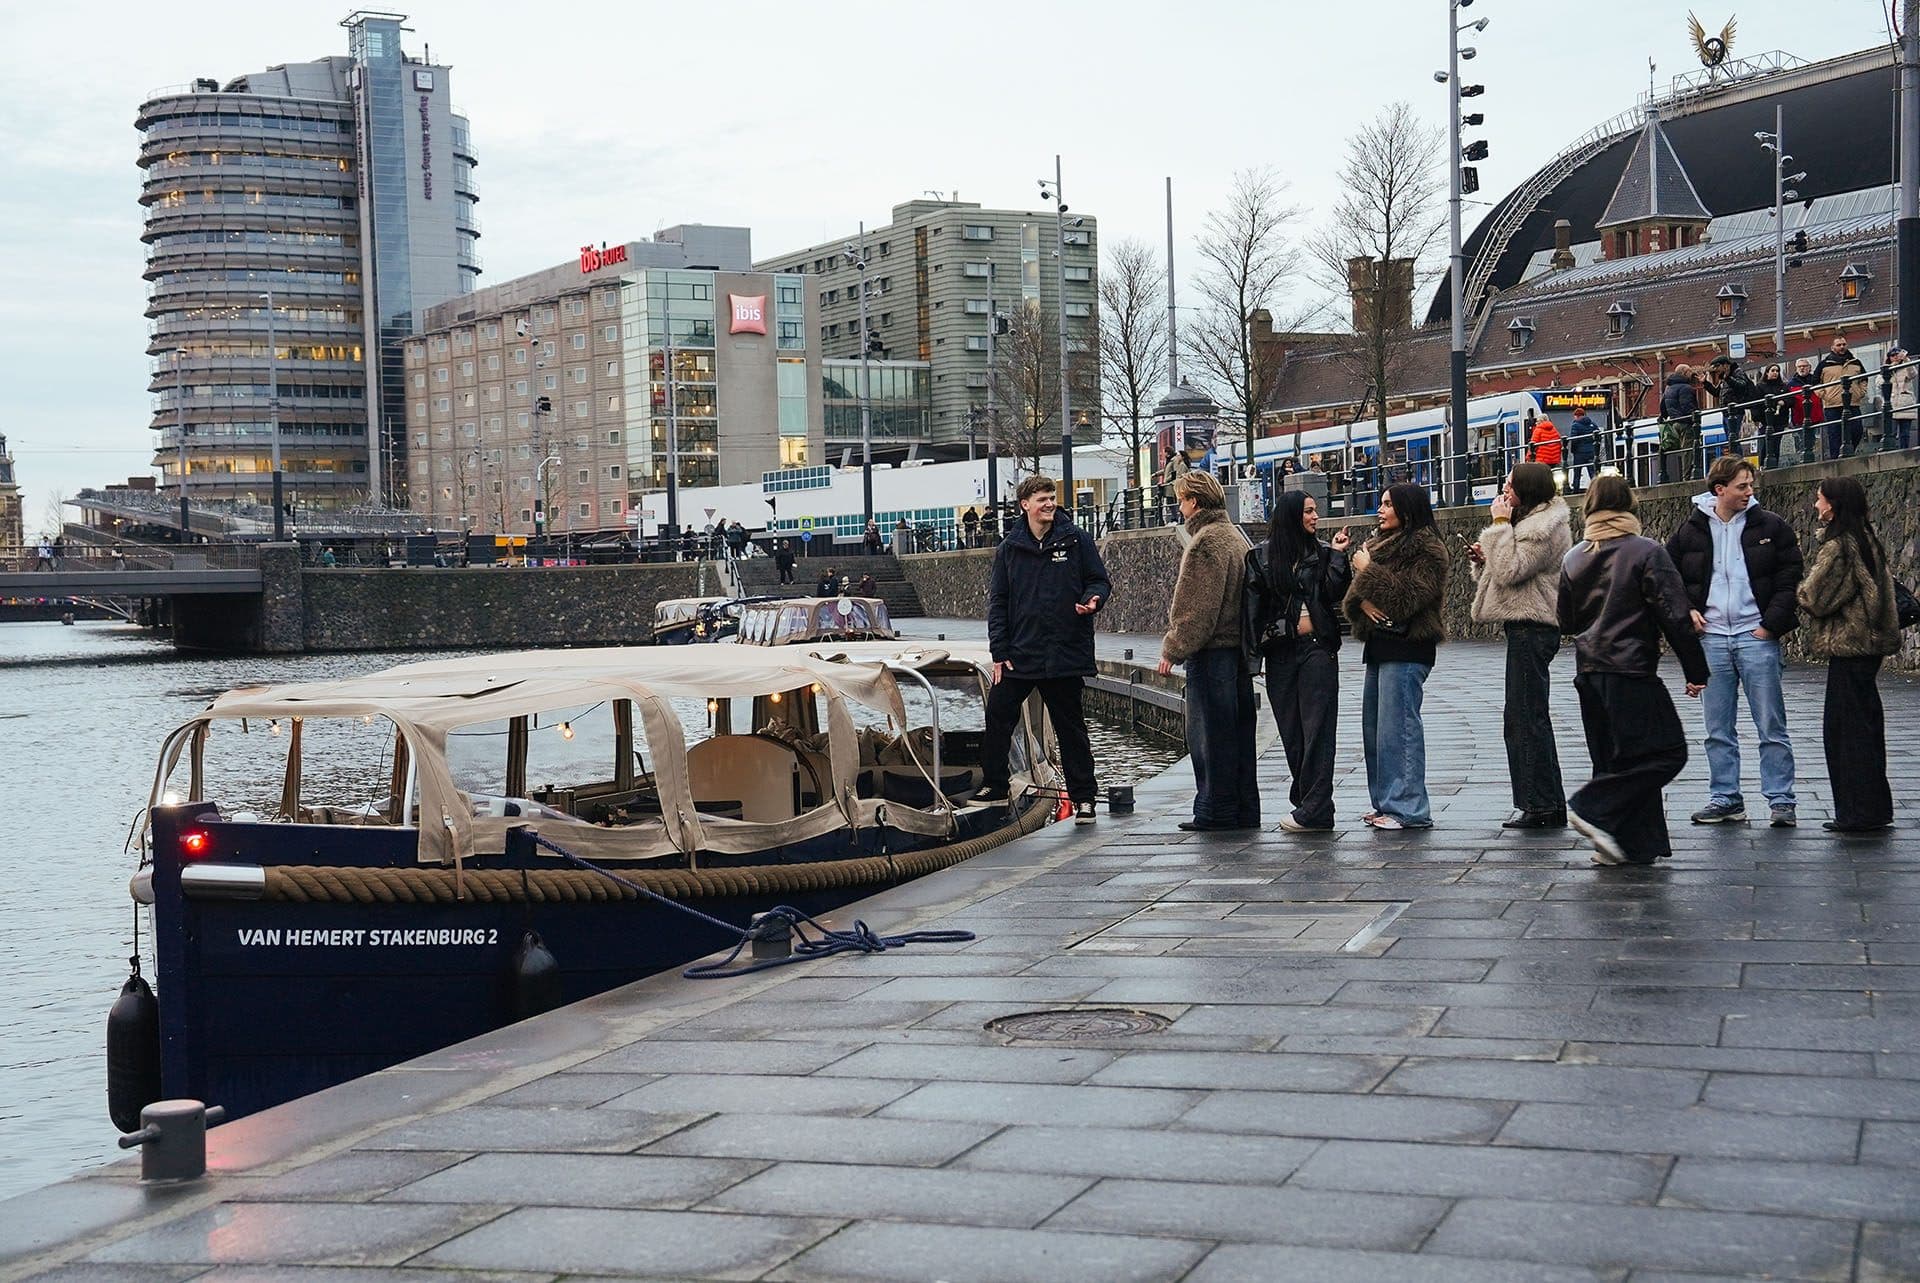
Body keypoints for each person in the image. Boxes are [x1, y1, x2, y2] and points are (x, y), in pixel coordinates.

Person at [1559, 476, 1711, 866]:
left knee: (1615, 760)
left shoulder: (1574, 557)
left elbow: (1566, 620)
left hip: (1589, 670)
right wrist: (1696, 670)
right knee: (1667, 752)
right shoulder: (1646, 552)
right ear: (1629, 505)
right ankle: (1591, 806)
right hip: (1631, 668)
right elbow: (1675, 615)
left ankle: (1626, 846)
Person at [1665, 455, 1803, 827]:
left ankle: (1781, 799)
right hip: (1712, 638)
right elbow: (1668, 575)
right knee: (1717, 727)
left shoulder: (1770, 525)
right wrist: (1688, 610)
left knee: (1771, 723)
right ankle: (1725, 797)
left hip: (1755, 635)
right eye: (1742, 485)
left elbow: (1790, 575)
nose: (1749, 491)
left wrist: (1771, 624)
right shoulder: (1691, 530)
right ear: (1719, 489)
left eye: (1751, 485)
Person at [977, 474, 1110, 824]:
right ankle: (994, 784)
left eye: (1052, 498)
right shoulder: (1010, 548)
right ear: (1025, 505)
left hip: (1064, 653)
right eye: (1042, 499)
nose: (1050, 504)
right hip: (1021, 654)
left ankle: (1084, 798)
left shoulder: (1076, 540)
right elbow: (999, 603)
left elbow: (1099, 580)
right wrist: (998, 651)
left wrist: (1092, 599)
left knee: (1071, 729)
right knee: (998, 716)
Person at [1469, 463, 1573, 829]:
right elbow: (1503, 572)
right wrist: (1485, 560)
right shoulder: (1529, 524)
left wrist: (1498, 526)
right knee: (1523, 716)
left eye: (1510, 485)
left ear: (1526, 490)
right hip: (1524, 625)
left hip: (1534, 626)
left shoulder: (1542, 528)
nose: (1504, 490)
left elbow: (1512, 570)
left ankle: (1542, 806)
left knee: (1526, 718)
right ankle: (1544, 802)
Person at [1151, 472, 1256, 831]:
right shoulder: (1235, 537)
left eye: (1181, 500)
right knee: (1237, 735)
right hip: (1237, 653)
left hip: (1212, 655)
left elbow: (1197, 608)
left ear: (1194, 502)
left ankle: (1214, 810)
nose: (1179, 508)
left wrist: (1173, 649)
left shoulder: (1206, 543)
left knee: (1209, 737)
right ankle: (1244, 810)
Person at [1344, 483, 1450, 830]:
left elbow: (1406, 599)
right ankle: (1385, 802)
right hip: (1380, 646)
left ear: (1407, 509)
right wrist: (1363, 600)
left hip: (1408, 646)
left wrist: (1367, 571)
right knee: (1376, 730)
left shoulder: (1428, 550)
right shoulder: (1377, 547)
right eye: (1381, 503)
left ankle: (1409, 809)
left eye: (1388, 504)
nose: (1380, 509)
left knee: (1400, 729)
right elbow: (1354, 601)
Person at [1797, 476, 1900, 831]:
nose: (1815, 505)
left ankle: (1857, 813)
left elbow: (1815, 598)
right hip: (1868, 647)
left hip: (1849, 645)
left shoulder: (1839, 545)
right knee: (1867, 729)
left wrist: (1799, 588)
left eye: (1819, 498)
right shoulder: (1867, 537)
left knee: (1845, 733)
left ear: (1834, 504)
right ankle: (1874, 808)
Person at [1251, 489, 1351, 831]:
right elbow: (1251, 611)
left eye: (1316, 511)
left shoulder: (1323, 554)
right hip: (1280, 654)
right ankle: (1310, 802)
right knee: (1292, 731)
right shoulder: (1260, 557)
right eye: (1309, 511)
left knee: (1318, 729)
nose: (1315, 517)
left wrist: (1338, 556)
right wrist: (1252, 660)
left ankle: (1317, 807)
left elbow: (1334, 592)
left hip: (1317, 650)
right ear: (1292, 515)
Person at [1813, 335, 1868, 459]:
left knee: (1857, 430)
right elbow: (1815, 382)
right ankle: (1835, 459)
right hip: (1833, 404)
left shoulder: (1856, 362)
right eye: (1839, 345)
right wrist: (1824, 395)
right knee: (1834, 433)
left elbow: (1864, 378)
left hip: (1853, 402)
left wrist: (1861, 392)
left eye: (1844, 344)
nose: (1842, 347)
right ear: (1832, 347)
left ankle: (1849, 453)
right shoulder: (1824, 364)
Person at [1704, 356, 1757, 456]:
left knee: (1733, 438)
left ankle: (1737, 460)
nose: (1716, 370)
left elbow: (1742, 386)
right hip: (1726, 412)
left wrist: (1728, 378)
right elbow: (1718, 393)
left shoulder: (1737, 372)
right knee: (1730, 438)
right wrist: (1706, 383)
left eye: (1717, 366)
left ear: (1725, 365)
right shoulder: (1724, 377)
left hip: (1735, 411)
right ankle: (1735, 459)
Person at [1660, 364, 1702, 482]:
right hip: (1685, 423)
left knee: (1670, 449)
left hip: (1674, 423)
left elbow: (1663, 408)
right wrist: (1695, 418)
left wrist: (1666, 417)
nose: (1691, 374)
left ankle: (1663, 474)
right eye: (1689, 372)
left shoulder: (1668, 389)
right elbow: (1687, 406)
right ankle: (1687, 477)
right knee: (1688, 450)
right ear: (1684, 373)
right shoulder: (1686, 388)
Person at [1789, 357, 1825, 462]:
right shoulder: (1791, 384)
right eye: (1799, 366)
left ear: (1809, 367)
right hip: (1800, 418)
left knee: (1816, 440)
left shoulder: (1815, 380)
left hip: (1817, 416)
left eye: (1804, 366)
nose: (1802, 368)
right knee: (1803, 441)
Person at [1755, 363, 1791, 469]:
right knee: (1766, 443)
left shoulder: (1783, 386)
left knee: (1776, 443)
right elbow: (1756, 404)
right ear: (1767, 372)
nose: (1775, 373)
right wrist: (1757, 419)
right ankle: (1763, 465)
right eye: (1773, 370)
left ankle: (1775, 464)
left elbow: (1791, 399)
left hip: (1779, 419)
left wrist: (1784, 402)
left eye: (1777, 371)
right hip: (1765, 420)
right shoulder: (1760, 386)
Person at [1888, 348, 1917, 452]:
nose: (1895, 357)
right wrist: (1891, 367)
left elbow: (1913, 374)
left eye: (1897, 354)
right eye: (1893, 355)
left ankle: (1904, 452)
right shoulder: (1888, 369)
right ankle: (1890, 452)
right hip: (1892, 404)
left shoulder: (1906, 366)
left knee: (1905, 433)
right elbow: (1879, 382)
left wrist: (1906, 360)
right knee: (1891, 432)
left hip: (1905, 404)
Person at [1564, 407, 1598, 492]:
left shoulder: (1575, 425)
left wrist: (1573, 449)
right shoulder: (1592, 424)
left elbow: (1574, 439)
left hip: (1579, 453)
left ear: (1577, 416)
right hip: (1591, 451)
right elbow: (1598, 435)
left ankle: (1576, 489)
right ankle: (1597, 489)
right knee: (1592, 472)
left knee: (1577, 472)